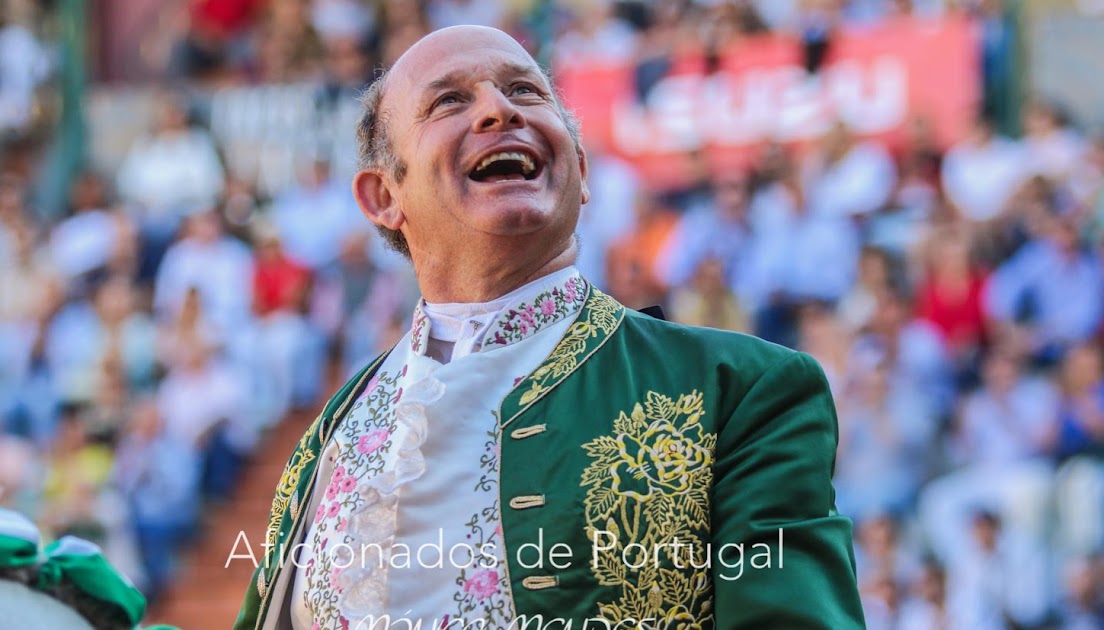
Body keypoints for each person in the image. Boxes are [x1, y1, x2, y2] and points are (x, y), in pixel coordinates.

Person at [233, 25, 863, 630]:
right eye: (450, 100)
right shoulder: (335, 431)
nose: (499, 112)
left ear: (582, 171)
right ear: (382, 198)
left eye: (526, 92)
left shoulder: (737, 390)